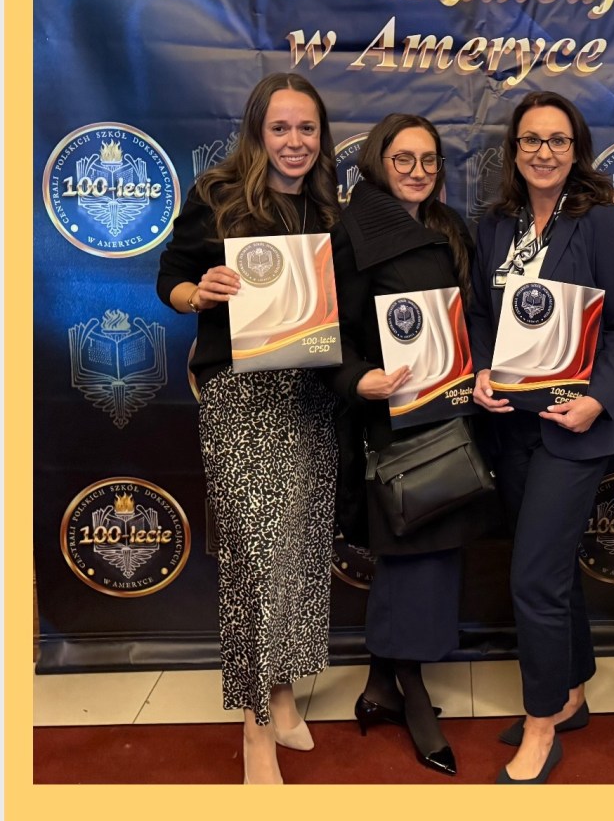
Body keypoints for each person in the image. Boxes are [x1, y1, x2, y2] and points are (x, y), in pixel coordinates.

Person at [156, 72, 341, 784]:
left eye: (307, 128)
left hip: (312, 397)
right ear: (257, 132)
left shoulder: (330, 205)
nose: (295, 141)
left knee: (297, 554)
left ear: (321, 136)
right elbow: (170, 279)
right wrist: (197, 293)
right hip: (241, 397)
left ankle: (285, 695)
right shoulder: (217, 196)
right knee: (255, 563)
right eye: (281, 127)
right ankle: (255, 732)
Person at [469, 90, 614, 784]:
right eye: (531, 140)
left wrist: (598, 400)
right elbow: (480, 313)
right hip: (510, 427)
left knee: (534, 578)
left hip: (573, 430)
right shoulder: (496, 224)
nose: (544, 152)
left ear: (577, 150)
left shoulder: (602, 221)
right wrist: (482, 367)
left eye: (558, 140)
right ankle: (570, 691)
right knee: (550, 567)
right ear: (514, 150)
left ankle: (541, 725)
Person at [329, 112, 488, 778]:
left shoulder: (449, 228)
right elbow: (328, 329)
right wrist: (356, 378)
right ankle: (410, 690)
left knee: (429, 555)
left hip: (449, 415)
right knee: (411, 555)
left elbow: (472, 318)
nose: (418, 171)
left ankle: (379, 684)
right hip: (388, 423)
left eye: (429, 160)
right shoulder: (353, 233)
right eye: (403, 159)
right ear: (377, 162)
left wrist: (483, 371)